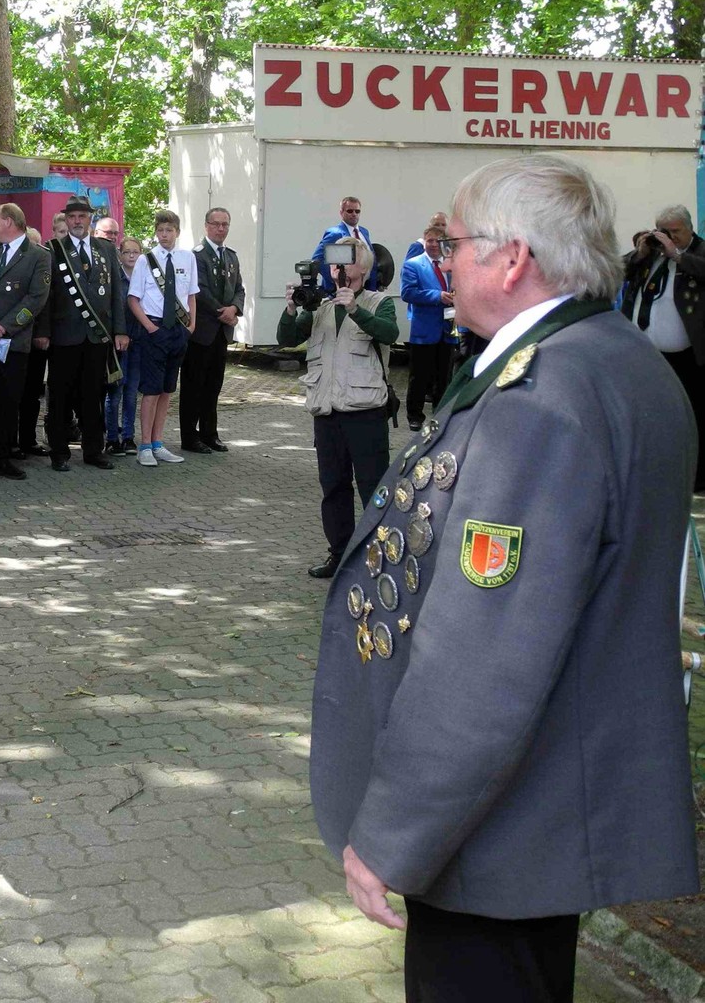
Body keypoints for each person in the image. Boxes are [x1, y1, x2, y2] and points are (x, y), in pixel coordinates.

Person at [312, 154, 700, 999]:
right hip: (550, 806)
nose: (442, 259)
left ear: (512, 257)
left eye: (454, 241)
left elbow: (480, 658)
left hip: (500, 825)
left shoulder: (541, 397)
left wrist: (395, 830)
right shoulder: (615, 357)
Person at [278, 237, 397, 578]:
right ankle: (340, 556)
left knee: (373, 488)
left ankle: (382, 557)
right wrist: (292, 310)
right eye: (333, 262)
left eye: (345, 261)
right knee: (334, 488)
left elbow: (389, 333)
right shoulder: (322, 306)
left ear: (363, 268)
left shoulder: (378, 302)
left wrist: (356, 309)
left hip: (365, 414)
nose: (337, 268)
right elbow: (287, 338)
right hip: (327, 413)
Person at [37, 196, 128, 471]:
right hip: (64, 336)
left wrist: (120, 330)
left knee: (94, 395)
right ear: (66, 219)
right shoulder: (53, 249)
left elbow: (115, 295)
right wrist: (43, 332)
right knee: (60, 396)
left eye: (82, 216)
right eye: (72, 216)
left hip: (97, 336)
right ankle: (59, 453)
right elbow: (45, 296)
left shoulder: (106, 249)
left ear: (91, 219)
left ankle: (93, 450)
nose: (77, 221)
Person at [621, 205, 705, 491]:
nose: (668, 237)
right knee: (649, 414)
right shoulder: (650, 255)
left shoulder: (699, 251)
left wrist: (677, 255)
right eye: (663, 231)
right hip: (646, 354)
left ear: (689, 228)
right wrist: (640, 252)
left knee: (692, 415)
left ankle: (696, 479)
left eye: (675, 232)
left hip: (689, 357)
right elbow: (616, 272)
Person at [0, 203, 49, 479]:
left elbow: (36, 298)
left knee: (8, 402)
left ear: (10, 222)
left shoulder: (38, 256)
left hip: (14, 343)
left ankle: (2, 456)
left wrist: (4, 326)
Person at [127, 209, 197, 466]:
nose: (164, 235)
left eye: (169, 230)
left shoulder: (187, 258)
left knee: (167, 389)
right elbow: (133, 299)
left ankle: (158, 442)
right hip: (154, 328)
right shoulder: (147, 260)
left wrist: (191, 326)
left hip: (178, 330)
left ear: (177, 232)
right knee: (151, 390)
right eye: (160, 230)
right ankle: (144, 444)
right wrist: (149, 327)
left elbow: (191, 294)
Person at [180, 207, 244, 453]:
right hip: (201, 331)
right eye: (216, 224)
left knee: (213, 386)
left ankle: (209, 433)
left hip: (221, 333)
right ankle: (189, 437)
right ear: (206, 225)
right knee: (193, 386)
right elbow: (200, 291)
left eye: (225, 224)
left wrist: (235, 309)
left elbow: (240, 288)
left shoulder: (231, 256)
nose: (221, 229)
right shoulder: (197, 255)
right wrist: (223, 312)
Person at [18, 216, 67, 458]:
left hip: (41, 339)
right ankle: (16, 441)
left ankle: (29, 439)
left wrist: (43, 333)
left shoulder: (45, 263)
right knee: (19, 391)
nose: (36, 248)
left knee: (34, 392)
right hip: (20, 337)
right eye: (31, 243)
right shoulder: (18, 267)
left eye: (39, 244)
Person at [399, 226, 455, 433]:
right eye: (429, 240)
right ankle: (415, 415)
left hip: (448, 329)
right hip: (424, 331)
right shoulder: (413, 264)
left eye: (437, 241)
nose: (433, 244)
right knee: (419, 377)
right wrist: (437, 296)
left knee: (444, 377)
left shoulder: (451, 265)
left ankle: (440, 414)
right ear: (424, 241)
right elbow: (408, 293)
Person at [104, 237, 143, 456]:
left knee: (131, 392)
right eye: (126, 252)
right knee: (115, 391)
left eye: (135, 252)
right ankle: (111, 438)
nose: (130, 256)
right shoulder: (114, 278)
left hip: (138, 342)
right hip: (118, 343)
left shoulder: (144, 277)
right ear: (120, 255)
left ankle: (128, 436)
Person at [313, 196, 376, 294]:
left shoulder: (364, 232)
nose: (354, 214)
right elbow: (318, 259)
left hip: (366, 289)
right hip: (341, 291)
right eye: (350, 211)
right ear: (341, 213)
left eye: (357, 211)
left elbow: (369, 259)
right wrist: (337, 281)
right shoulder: (335, 233)